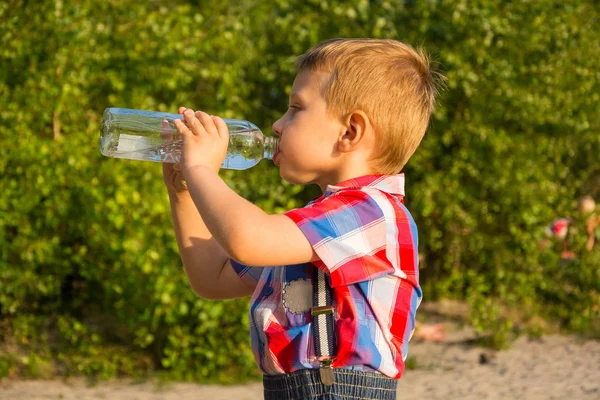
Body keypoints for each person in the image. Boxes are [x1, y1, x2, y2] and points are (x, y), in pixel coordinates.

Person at [163, 38, 444, 399]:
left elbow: (247, 240)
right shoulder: (314, 227)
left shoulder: (372, 214)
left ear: (350, 132)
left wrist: (202, 167)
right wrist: (183, 192)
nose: (278, 125)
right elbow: (212, 279)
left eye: (296, 108)